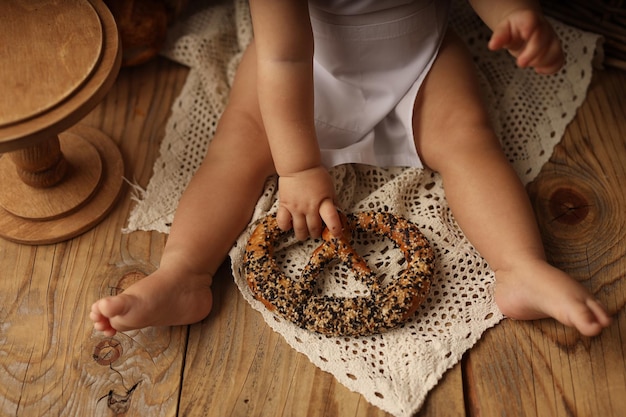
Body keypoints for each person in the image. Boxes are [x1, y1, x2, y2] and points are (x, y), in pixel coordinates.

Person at [90, 0, 612, 338]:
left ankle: (519, 267)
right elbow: (284, 58)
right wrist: (296, 166)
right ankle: (184, 272)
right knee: (237, 149)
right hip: (299, 72)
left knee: (469, 139)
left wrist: (512, 17)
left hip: (418, 59)